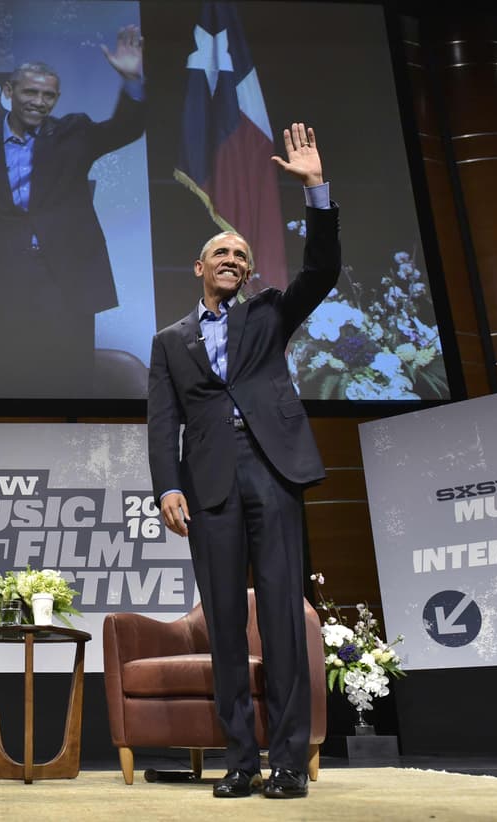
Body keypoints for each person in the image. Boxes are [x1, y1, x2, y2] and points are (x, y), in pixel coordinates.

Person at [146, 123, 337, 800]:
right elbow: (162, 417)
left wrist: (315, 187)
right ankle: (242, 761)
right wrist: (166, 486)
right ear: (199, 268)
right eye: (219, 251)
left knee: (282, 616)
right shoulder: (169, 341)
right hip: (210, 485)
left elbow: (322, 270)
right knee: (225, 622)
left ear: (249, 270)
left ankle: (288, 764)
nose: (231, 257)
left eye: (241, 252)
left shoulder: (269, 315)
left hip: (274, 471)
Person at [0, 25, 145, 394]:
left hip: (67, 284)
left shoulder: (73, 133)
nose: (39, 101)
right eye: (30, 91)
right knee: (0, 385)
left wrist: (130, 80)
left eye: (48, 95)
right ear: (8, 92)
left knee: (69, 386)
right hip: (1, 283)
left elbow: (125, 129)